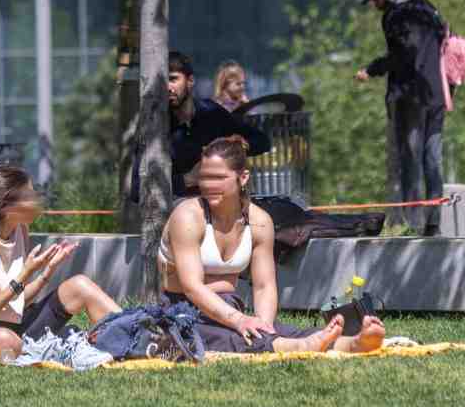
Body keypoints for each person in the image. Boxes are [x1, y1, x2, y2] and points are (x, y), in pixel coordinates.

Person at [160, 136, 385, 354]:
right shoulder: (188, 216)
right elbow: (192, 287)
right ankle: (296, 346)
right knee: (230, 337)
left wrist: (264, 326)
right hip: (182, 309)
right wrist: (239, 320)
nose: (208, 185)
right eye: (205, 177)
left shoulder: (259, 222)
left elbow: (264, 286)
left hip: (228, 306)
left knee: (279, 331)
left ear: (243, 177)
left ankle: (354, 343)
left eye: (219, 178)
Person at [0, 164, 121, 359]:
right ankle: (58, 347)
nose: (37, 200)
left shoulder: (20, 230)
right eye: (30, 195)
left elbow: (19, 302)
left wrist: (48, 271)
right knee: (3, 340)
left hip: (14, 328)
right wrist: (25, 273)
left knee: (80, 286)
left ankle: (132, 335)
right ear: (7, 206)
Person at [353, 0, 450, 234]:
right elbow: (444, 37)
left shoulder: (395, 14)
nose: (374, 5)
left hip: (410, 96)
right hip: (436, 94)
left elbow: (404, 52)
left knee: (410, 159)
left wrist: (372, 69)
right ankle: (433, 224)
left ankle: (411, 224)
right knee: (432, 159)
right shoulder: (426, 6)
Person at [169, 52, 271, 196]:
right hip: (181, 209)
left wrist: (236, 146)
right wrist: (188, 179)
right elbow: (137, 189)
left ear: (190, 81)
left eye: (173, 79)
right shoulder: (154, 125)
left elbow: (262, 141)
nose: (167, 87)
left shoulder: (211, 112)